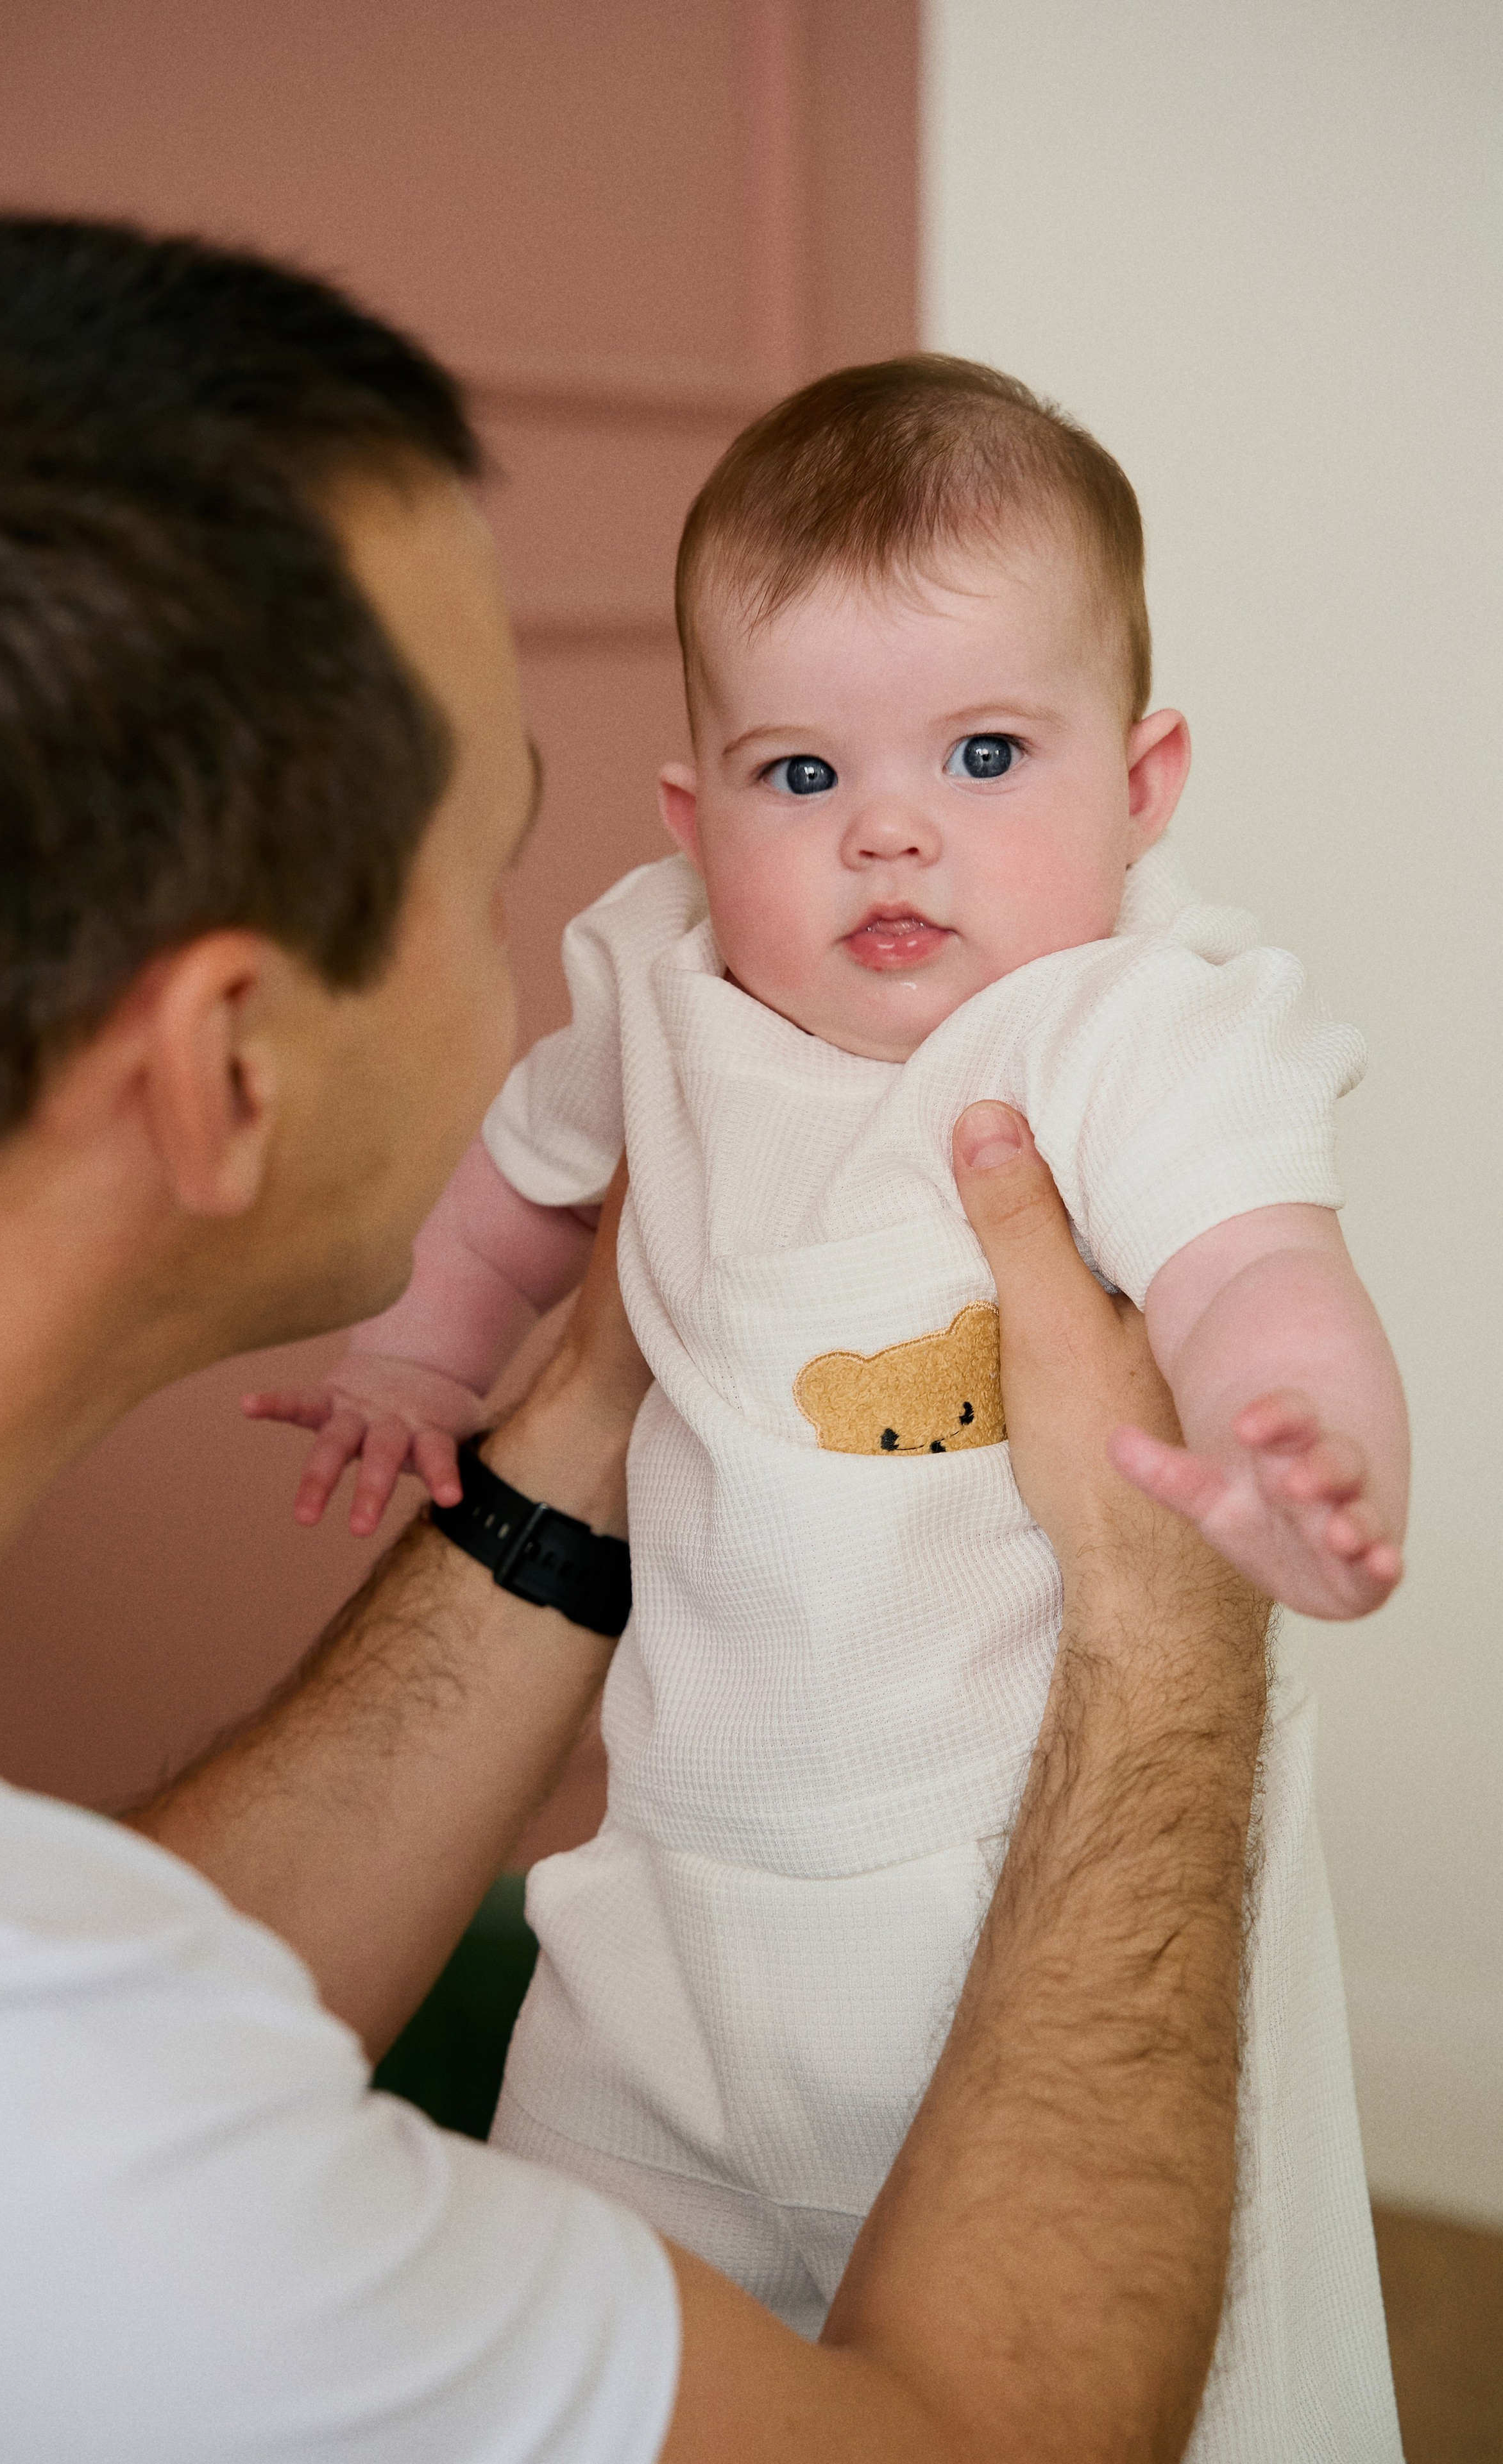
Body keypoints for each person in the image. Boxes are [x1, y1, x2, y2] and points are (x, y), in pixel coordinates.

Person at [0, 212, 1273, 2463]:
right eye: (490, 856)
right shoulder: (31, 2153)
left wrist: (596, 1396)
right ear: (229, 1062)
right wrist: (1170, 1623)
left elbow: (137, 2011)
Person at [262, 361, 1404, 2451]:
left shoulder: (1134, 1015)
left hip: (1037, 1903)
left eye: (985, 753)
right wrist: (424, 1354)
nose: (889, 828)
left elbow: (1257, 1263)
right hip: (676, 1910)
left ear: (1142, 783)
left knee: (1174, 2354)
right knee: (600, 2327)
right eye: (801, 773)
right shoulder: (668, 976)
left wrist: (1293, 1436)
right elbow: (527, 1190)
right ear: (693, 811)